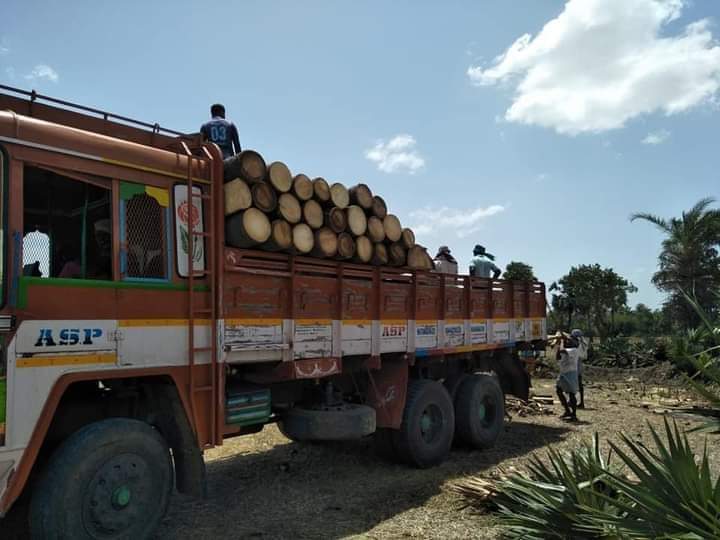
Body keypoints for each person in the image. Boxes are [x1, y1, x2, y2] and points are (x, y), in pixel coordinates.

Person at [555, 333, 580, 421]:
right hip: (563, 373)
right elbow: (558, 357)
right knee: (558, 390)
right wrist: (559, 344)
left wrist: (561, 341)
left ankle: (574, 414)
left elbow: (562, 351)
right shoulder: (567, 349)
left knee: (571, 393)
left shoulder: (574, 350)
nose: (567, 342)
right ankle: (567, 410)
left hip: (570, 373)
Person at [571, 328, 588, 409]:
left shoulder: (577, 344)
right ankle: (581, 402)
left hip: (575, 364)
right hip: (579, 364)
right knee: (579, 384)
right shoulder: (583, 343)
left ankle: (573, 401)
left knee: (574, 384)